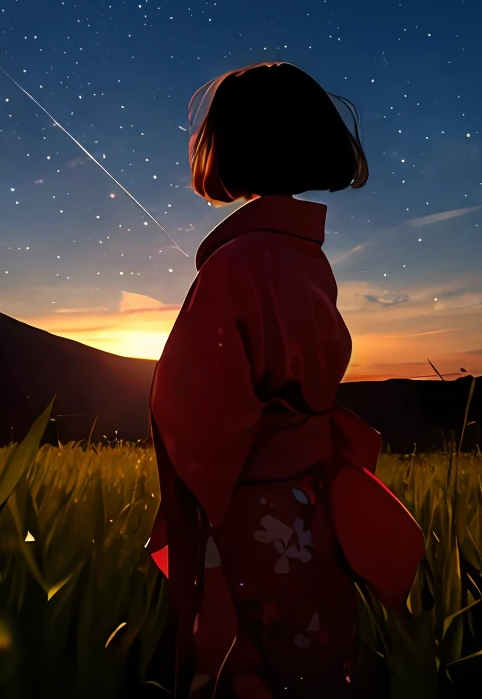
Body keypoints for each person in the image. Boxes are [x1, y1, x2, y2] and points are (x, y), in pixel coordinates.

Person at [149, 61, 423, 697]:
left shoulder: (236, 263)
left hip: (252, 502)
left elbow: (193, 404)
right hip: (309, 496)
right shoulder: (305, 257)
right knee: (316, 646)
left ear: (224, 148)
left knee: (252, 658)